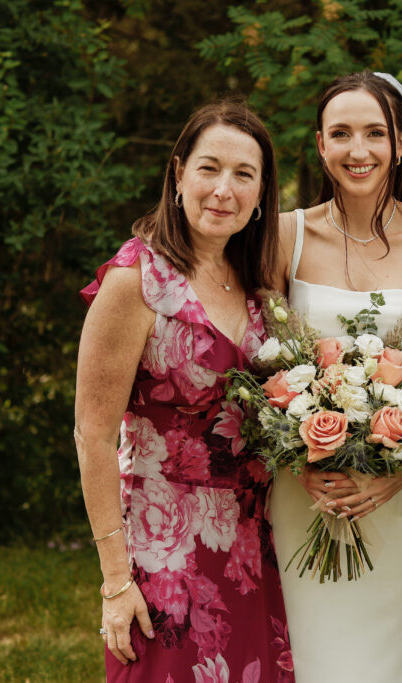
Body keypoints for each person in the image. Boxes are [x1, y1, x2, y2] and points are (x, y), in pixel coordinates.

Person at [267, 72, 402, 683]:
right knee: (307, 652)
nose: (357, 150)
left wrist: (396, 476)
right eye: (341, 133)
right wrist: (298, 460)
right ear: (319, 144)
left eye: (373, 133)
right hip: (303, 486)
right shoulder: (287, 234)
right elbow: (264, 365)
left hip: (395, 498)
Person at [75, 100, 295, 683]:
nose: (224, 189)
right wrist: (116, 582)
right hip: (161, 554)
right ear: (178, 175)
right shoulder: (136, 281)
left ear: (261, 192)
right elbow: (92, 437)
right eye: (209, 168)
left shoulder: (256, 283)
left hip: (249, 546)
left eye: (244, 174)